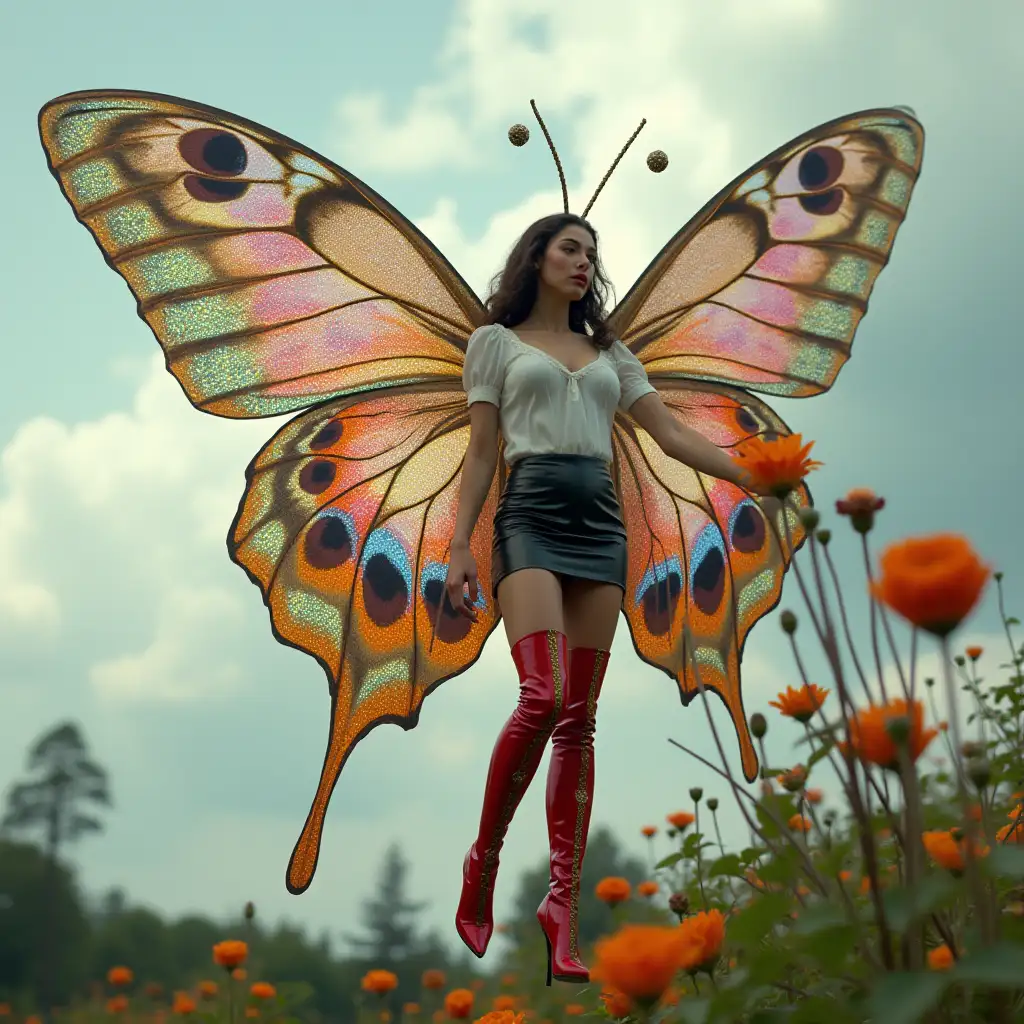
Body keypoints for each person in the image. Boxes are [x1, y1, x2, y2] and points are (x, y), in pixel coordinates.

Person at [446, 212, 757, 984]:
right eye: (570, 249)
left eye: (592, 253)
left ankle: (562, 909)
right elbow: (483, 450)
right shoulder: (495, 344)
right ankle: (482, 864)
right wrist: (458, 546)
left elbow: (672, 435)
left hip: (603, 529)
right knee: (542, 695)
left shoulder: (613, 353)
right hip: (530, 516)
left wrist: (761, 475)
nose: (585, 262)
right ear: (538, 258)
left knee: (580, 722)